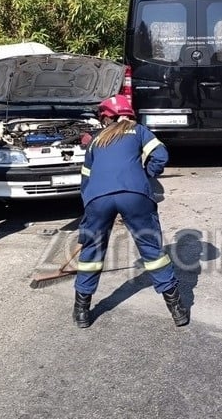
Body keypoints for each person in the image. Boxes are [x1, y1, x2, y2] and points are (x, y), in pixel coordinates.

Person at [73, 95, 188, 328]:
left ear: (106, 117)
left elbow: (85, 179)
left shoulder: (96, 141)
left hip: (98, 198)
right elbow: (161, 154)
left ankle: (82, 311)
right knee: (152, 250)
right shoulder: (138, 131)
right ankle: (177, 311)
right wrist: (146, 175)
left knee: (91, 254)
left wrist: (91, 210)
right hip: (134, 196)